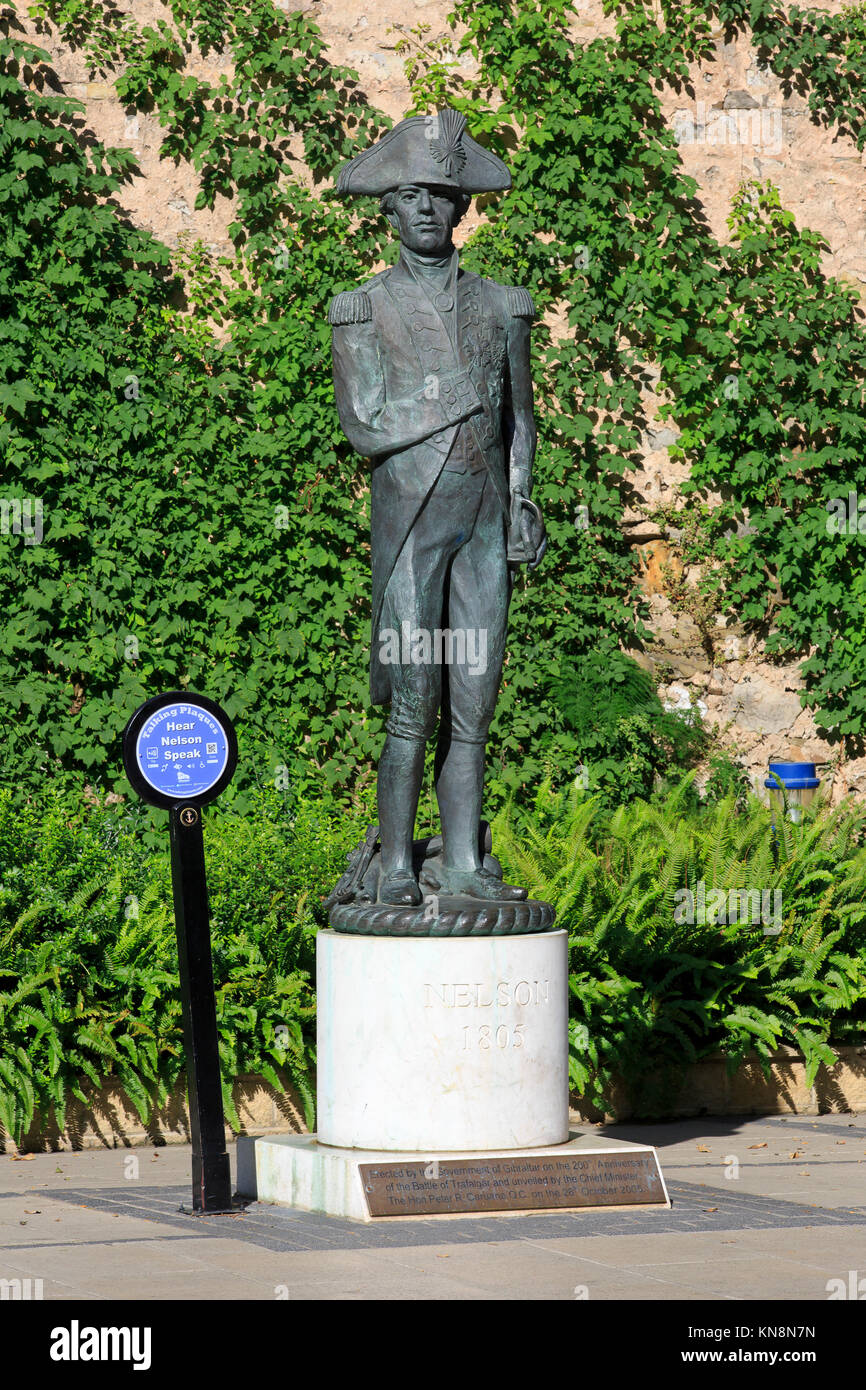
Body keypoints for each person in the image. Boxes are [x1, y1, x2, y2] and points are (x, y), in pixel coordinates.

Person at [329, 107, 544, 906]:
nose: (425, 207)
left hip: (486, 524)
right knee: (414, 701)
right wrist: (454, 398)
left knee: (475, 702)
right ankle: (391, 866)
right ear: (388, 207)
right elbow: (365, 426)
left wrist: (521, 499)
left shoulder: (502, 304)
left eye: (440, 194)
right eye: (410, 194)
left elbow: (521, 420)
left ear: (462, 209)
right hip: (413, 528)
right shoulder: (363, 306)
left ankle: (460, 862)